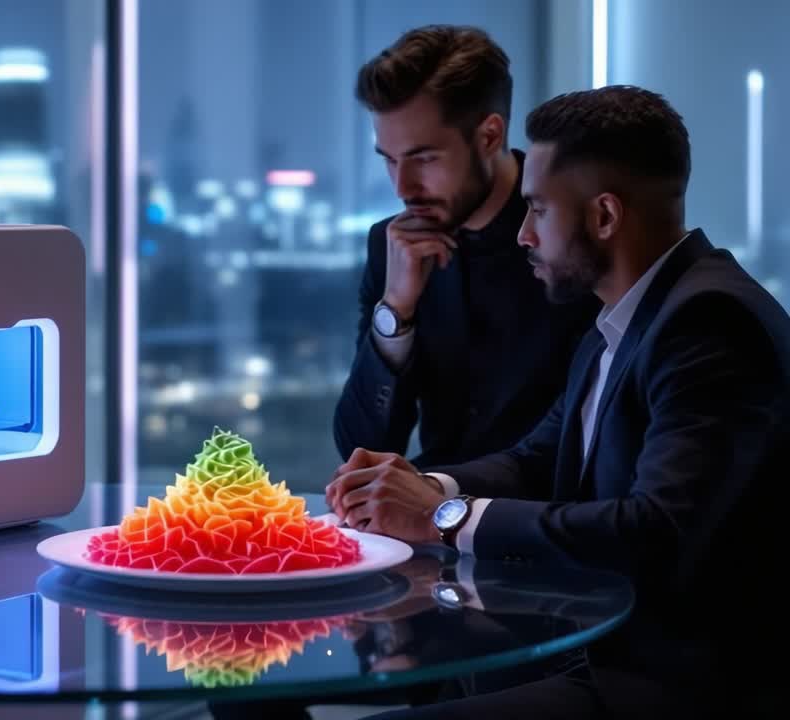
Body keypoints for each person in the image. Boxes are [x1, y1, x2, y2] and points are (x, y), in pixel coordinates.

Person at [328, 84, 785, 719]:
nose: (523, 236)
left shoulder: (707, 322)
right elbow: (537, 459)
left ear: (604, 217)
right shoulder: (622, 321)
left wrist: (444, 517)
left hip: (665, 680)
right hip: (592, 639)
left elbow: (656, 531)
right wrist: (421, 486)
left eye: (538, 210)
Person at [334, 25, 598, 469]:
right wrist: (396, 311)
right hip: (428, 505)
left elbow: (588, 441)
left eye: (423, 158)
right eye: (390, 160)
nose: (402, 187)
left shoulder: (571, 231)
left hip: (541, 506)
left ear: (489, 136)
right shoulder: (391, 245)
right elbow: (361, 447)